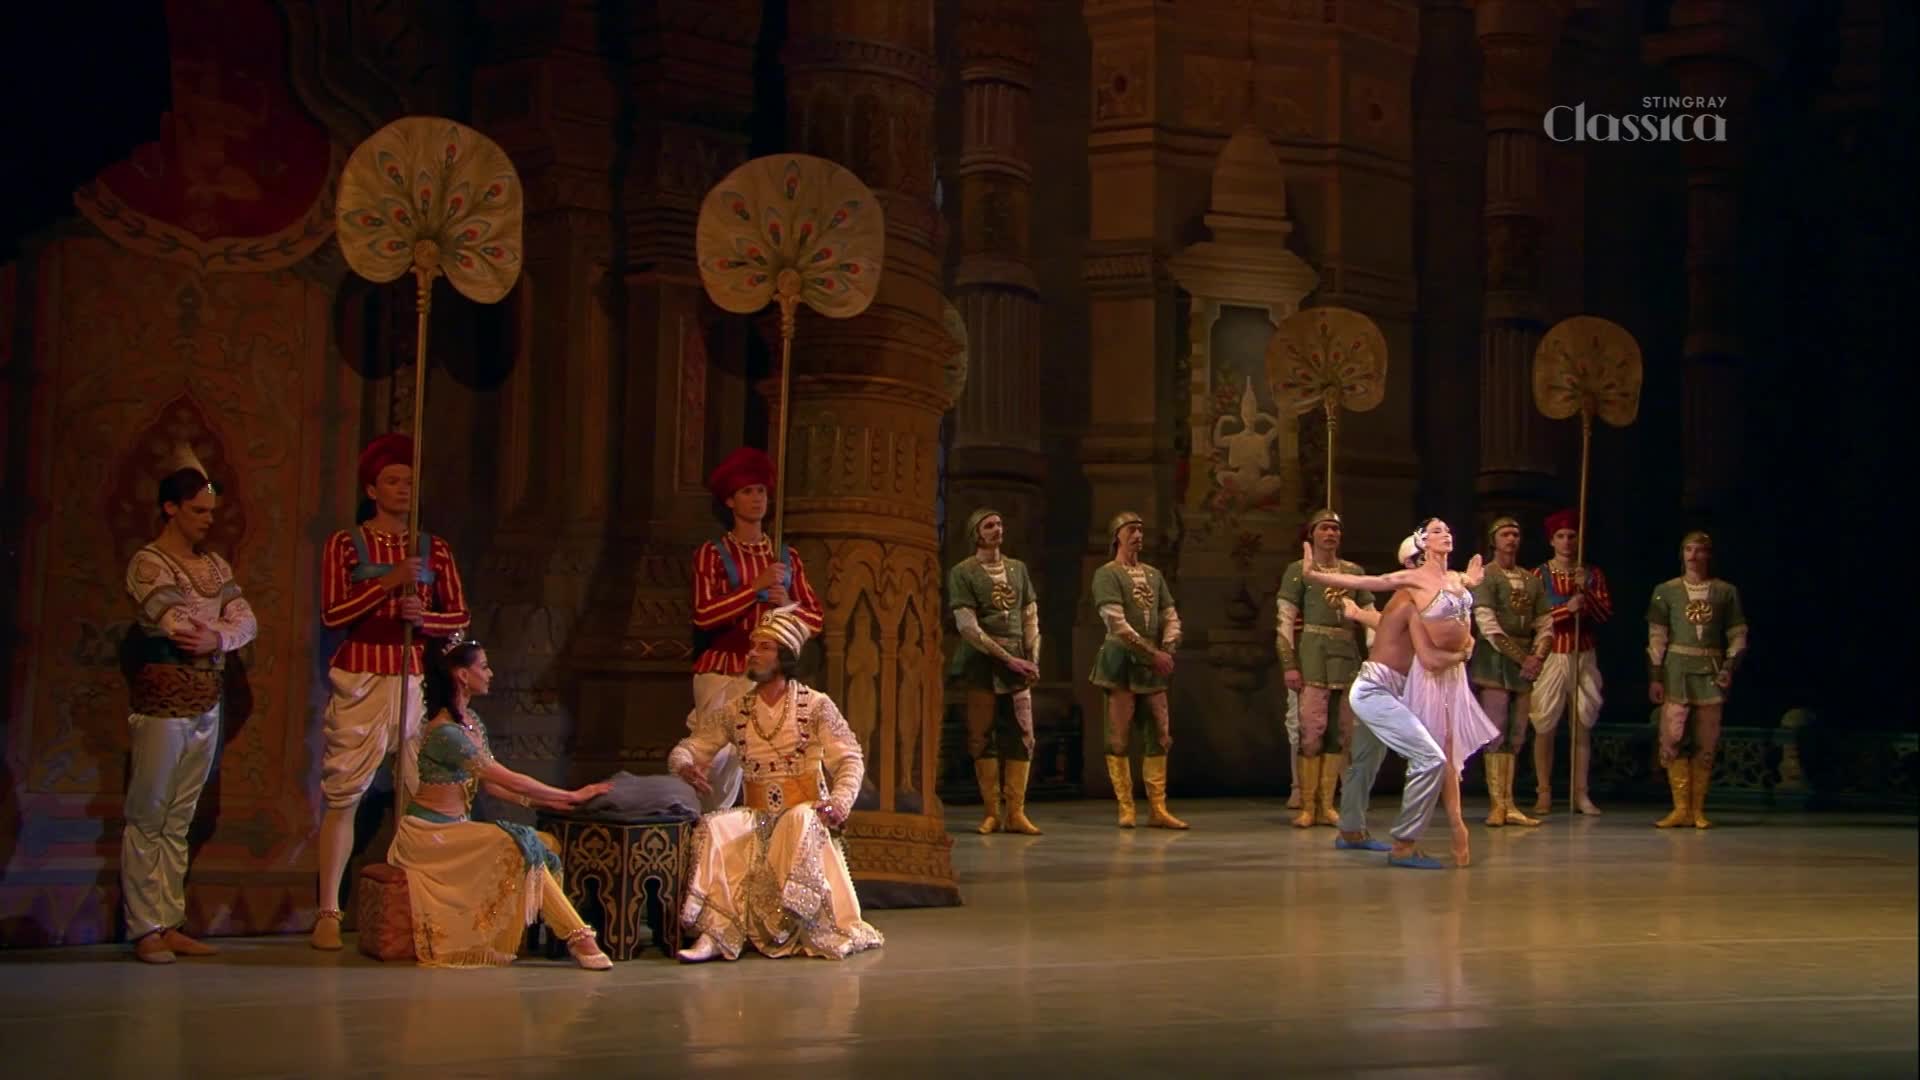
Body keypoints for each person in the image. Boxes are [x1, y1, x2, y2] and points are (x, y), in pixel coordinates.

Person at [312, 433, 470, 951]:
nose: (404, 489)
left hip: (414, 677)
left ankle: (421, 906)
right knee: (345, 792)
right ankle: (329, 911)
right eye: (393, 481)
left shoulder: (434, 548)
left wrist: (423, 618)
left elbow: (460, 619)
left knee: (419, 790)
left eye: (409, 481)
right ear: (372, 489)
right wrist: (387, 583)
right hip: (360, 675)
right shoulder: (346, 544)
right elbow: (333, 613)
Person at [670, 605, 883, 962]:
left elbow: (849, 758)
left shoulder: (816, 705)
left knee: (798, 820)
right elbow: (691, 746)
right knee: (716, 825)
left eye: (764, 647)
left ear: (784, 656)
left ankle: (802, 923)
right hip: (758, 816)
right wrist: (686, 765)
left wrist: (840, 802)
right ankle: (715, 934)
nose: (752, 653)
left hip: (804, 815)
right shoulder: (736, 709)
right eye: (753, 646)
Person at [387, 636, 614, 969]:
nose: (490, 673)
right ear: (463, 675)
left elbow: (492, 787)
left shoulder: (472, 723)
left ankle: (542, 933)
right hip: (430, 836)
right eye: (484, 666)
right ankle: (580, 937)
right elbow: (506, 776)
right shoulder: (445, 733)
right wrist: (569, 795)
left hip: (456, 832)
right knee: (513, 843)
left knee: (544, 842)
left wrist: (538, 802)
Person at [120, 449, 258, 963]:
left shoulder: (214, 565)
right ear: (171, 508)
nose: (207, 521)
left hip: (205, 697)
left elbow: (246, 621)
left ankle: (169, 918)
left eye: (210, 512)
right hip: (163, 700)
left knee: (179, 816)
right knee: (148, 812)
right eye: (198, 511)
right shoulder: (149, 562)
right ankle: (144, 926)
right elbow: (172, 620)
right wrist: (213, 633)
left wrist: (218, 638)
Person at [1307, 521, 1492, 866]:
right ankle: (1404, 845)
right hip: (1378, 688)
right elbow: (1393, 620)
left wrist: (1468, 581)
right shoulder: (1410, 594)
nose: (1411, 570)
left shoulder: (1424, 593)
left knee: (1366, 759)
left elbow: (1397, 618)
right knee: (1428, 757)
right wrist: (1462, 652)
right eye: (1410, 564)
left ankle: (1350, 830)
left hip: (1393, 689)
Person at [687, 447, 824, 813]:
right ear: (730, 500)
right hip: (724, 667)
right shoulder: (712, 555)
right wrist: (753, 589)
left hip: (768, 673)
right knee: (719, 757)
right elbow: (704, 614)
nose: (756, 498)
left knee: (770, 754)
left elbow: (814, 619)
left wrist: (784, 607)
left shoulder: (785, 557)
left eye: (761, 491)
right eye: (747, 491)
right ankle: (708, 830)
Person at [1274, 509, 1374, 828]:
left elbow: (1369, 616)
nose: (1330, 534)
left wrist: (1376, 657)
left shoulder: (1353, 571)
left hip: (1346, 659)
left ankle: (1327, 804)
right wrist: (1289, 664)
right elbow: (1285, 621)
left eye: (1335, 529)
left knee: (1341, 733)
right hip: (1313, 657)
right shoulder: (1298, 570)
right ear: (1312, 534)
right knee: (1311, 732)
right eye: (1324, 528)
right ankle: (1307, 805)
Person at [947, 508, 1044, 834]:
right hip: (983, 663)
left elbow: (1030, 615)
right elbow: (968, 626)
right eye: (989, 525)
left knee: (1022, 733)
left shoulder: (1018, 570)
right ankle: (991, 811)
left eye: (1000, 523)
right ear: (977, 532)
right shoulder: (964, 572)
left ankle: (1016, 812)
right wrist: (1007, 658)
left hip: (1019, 661)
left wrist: (1033, 657)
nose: (997, 529)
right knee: (982, 732)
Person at [1088, 512, 1187, 829]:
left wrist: (1168, 648)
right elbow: (1115, 622)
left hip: (1153, 665)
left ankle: (1158, 808)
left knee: (1159, 734)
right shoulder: (1107, 574)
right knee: (1118, 735)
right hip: (1121, 662)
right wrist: (1151, 652)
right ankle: (1126, 806)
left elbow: (1170, 614)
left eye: (1142, 530)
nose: (1138, 536)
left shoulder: (1154, 575)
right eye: (1132, 530)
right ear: (1117, 535)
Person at [1647, 531, 1748, 829]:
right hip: (1676, 669)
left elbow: (1737, 633)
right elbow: (1657, 637)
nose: (1693, 555)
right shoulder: (1666, 591)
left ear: (1708, 555)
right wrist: (1655, 675)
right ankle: (1680, 808)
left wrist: (1729, 665)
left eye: (1699, 550)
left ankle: (1697, 809)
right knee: (1674, 734)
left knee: (1707, 737)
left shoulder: (1725, 592)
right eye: (1688, 549)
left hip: (1710, 668)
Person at [1529, 509, 1613, 815]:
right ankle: (1544, 791)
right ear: (1552, 541)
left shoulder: (1591, 574)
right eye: (1561, 537)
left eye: (1572, 536)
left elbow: (1605, 614)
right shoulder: (1538, 575)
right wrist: (1567, 609)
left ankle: (1581, 793)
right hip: (1552, 654)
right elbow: (1534, 619)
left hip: (1583, 653)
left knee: (1582, 724)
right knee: (1544, 723)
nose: (1567, 542)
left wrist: (1586, 594)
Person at [1470, 517, 1551, 827]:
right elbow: (1487, 624)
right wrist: (1524, 659)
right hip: (1495, 659)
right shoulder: (1487, 577)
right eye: (1505, 534)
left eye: (1516, 534)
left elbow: (1544, 622)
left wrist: (1538, 656)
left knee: (1517, 732)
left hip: (1524, 661)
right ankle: (1497, 804)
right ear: (1494, 540)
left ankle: (1510, 803)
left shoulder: (1532, 581)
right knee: (1497, 727)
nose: (1511, 539)